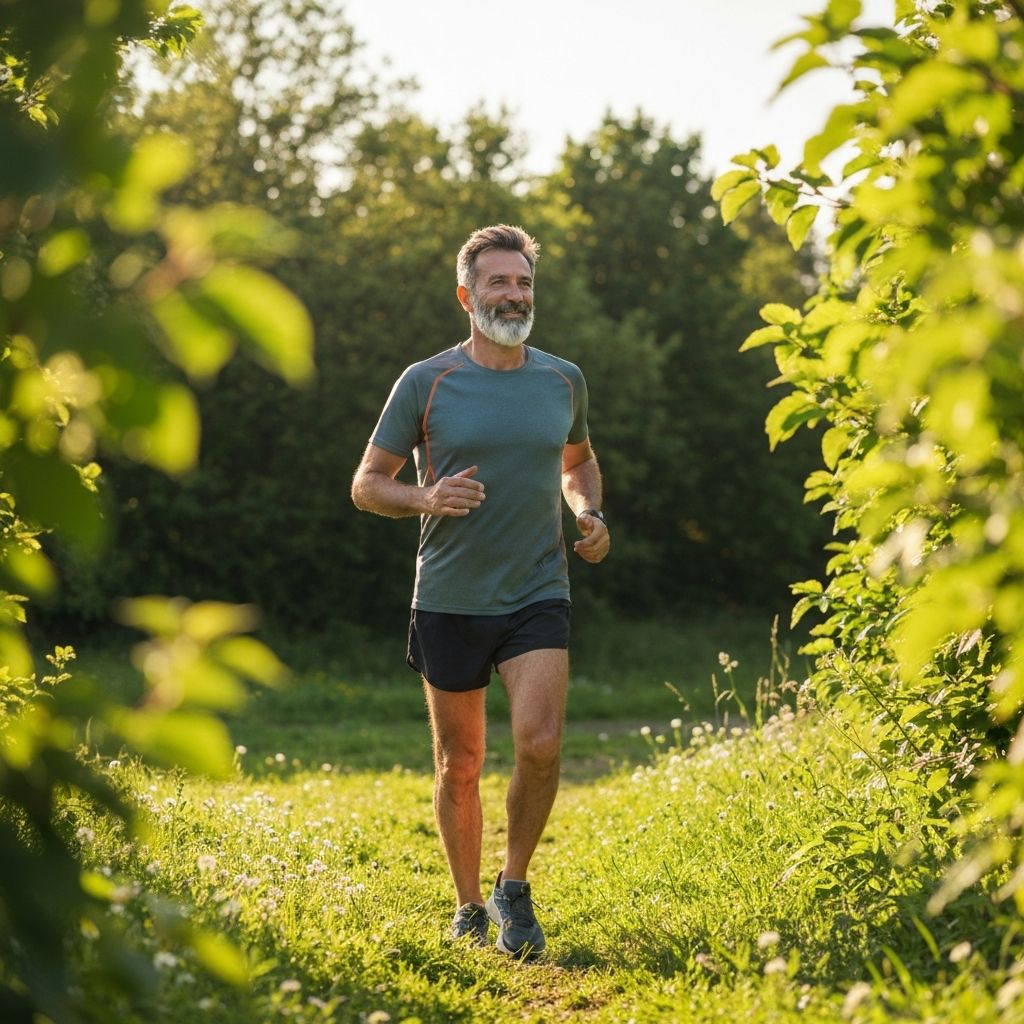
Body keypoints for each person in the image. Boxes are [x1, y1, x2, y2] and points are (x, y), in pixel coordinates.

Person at [351, 224, 609, 959]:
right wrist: (424, 498)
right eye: (498, 282)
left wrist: (588, 513)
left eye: (524, 282)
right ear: (468, 296)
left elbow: (579, 461)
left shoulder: (563, 379)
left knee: (542, 741)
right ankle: (467, 905)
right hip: (449, 595)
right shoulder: (425, 380)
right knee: (458, 763)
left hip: (537, 588)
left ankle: (513, 887)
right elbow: (367, 485)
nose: (514, 293)